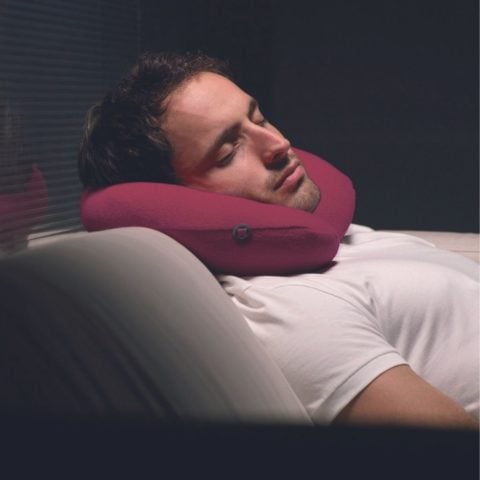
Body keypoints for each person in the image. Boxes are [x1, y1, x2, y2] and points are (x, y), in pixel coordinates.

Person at [78, 51, 479, 429]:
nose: (279, 145)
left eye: (260, 118)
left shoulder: (330, 239)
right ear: (174, 202)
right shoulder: (292, 313)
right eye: (228, 152)